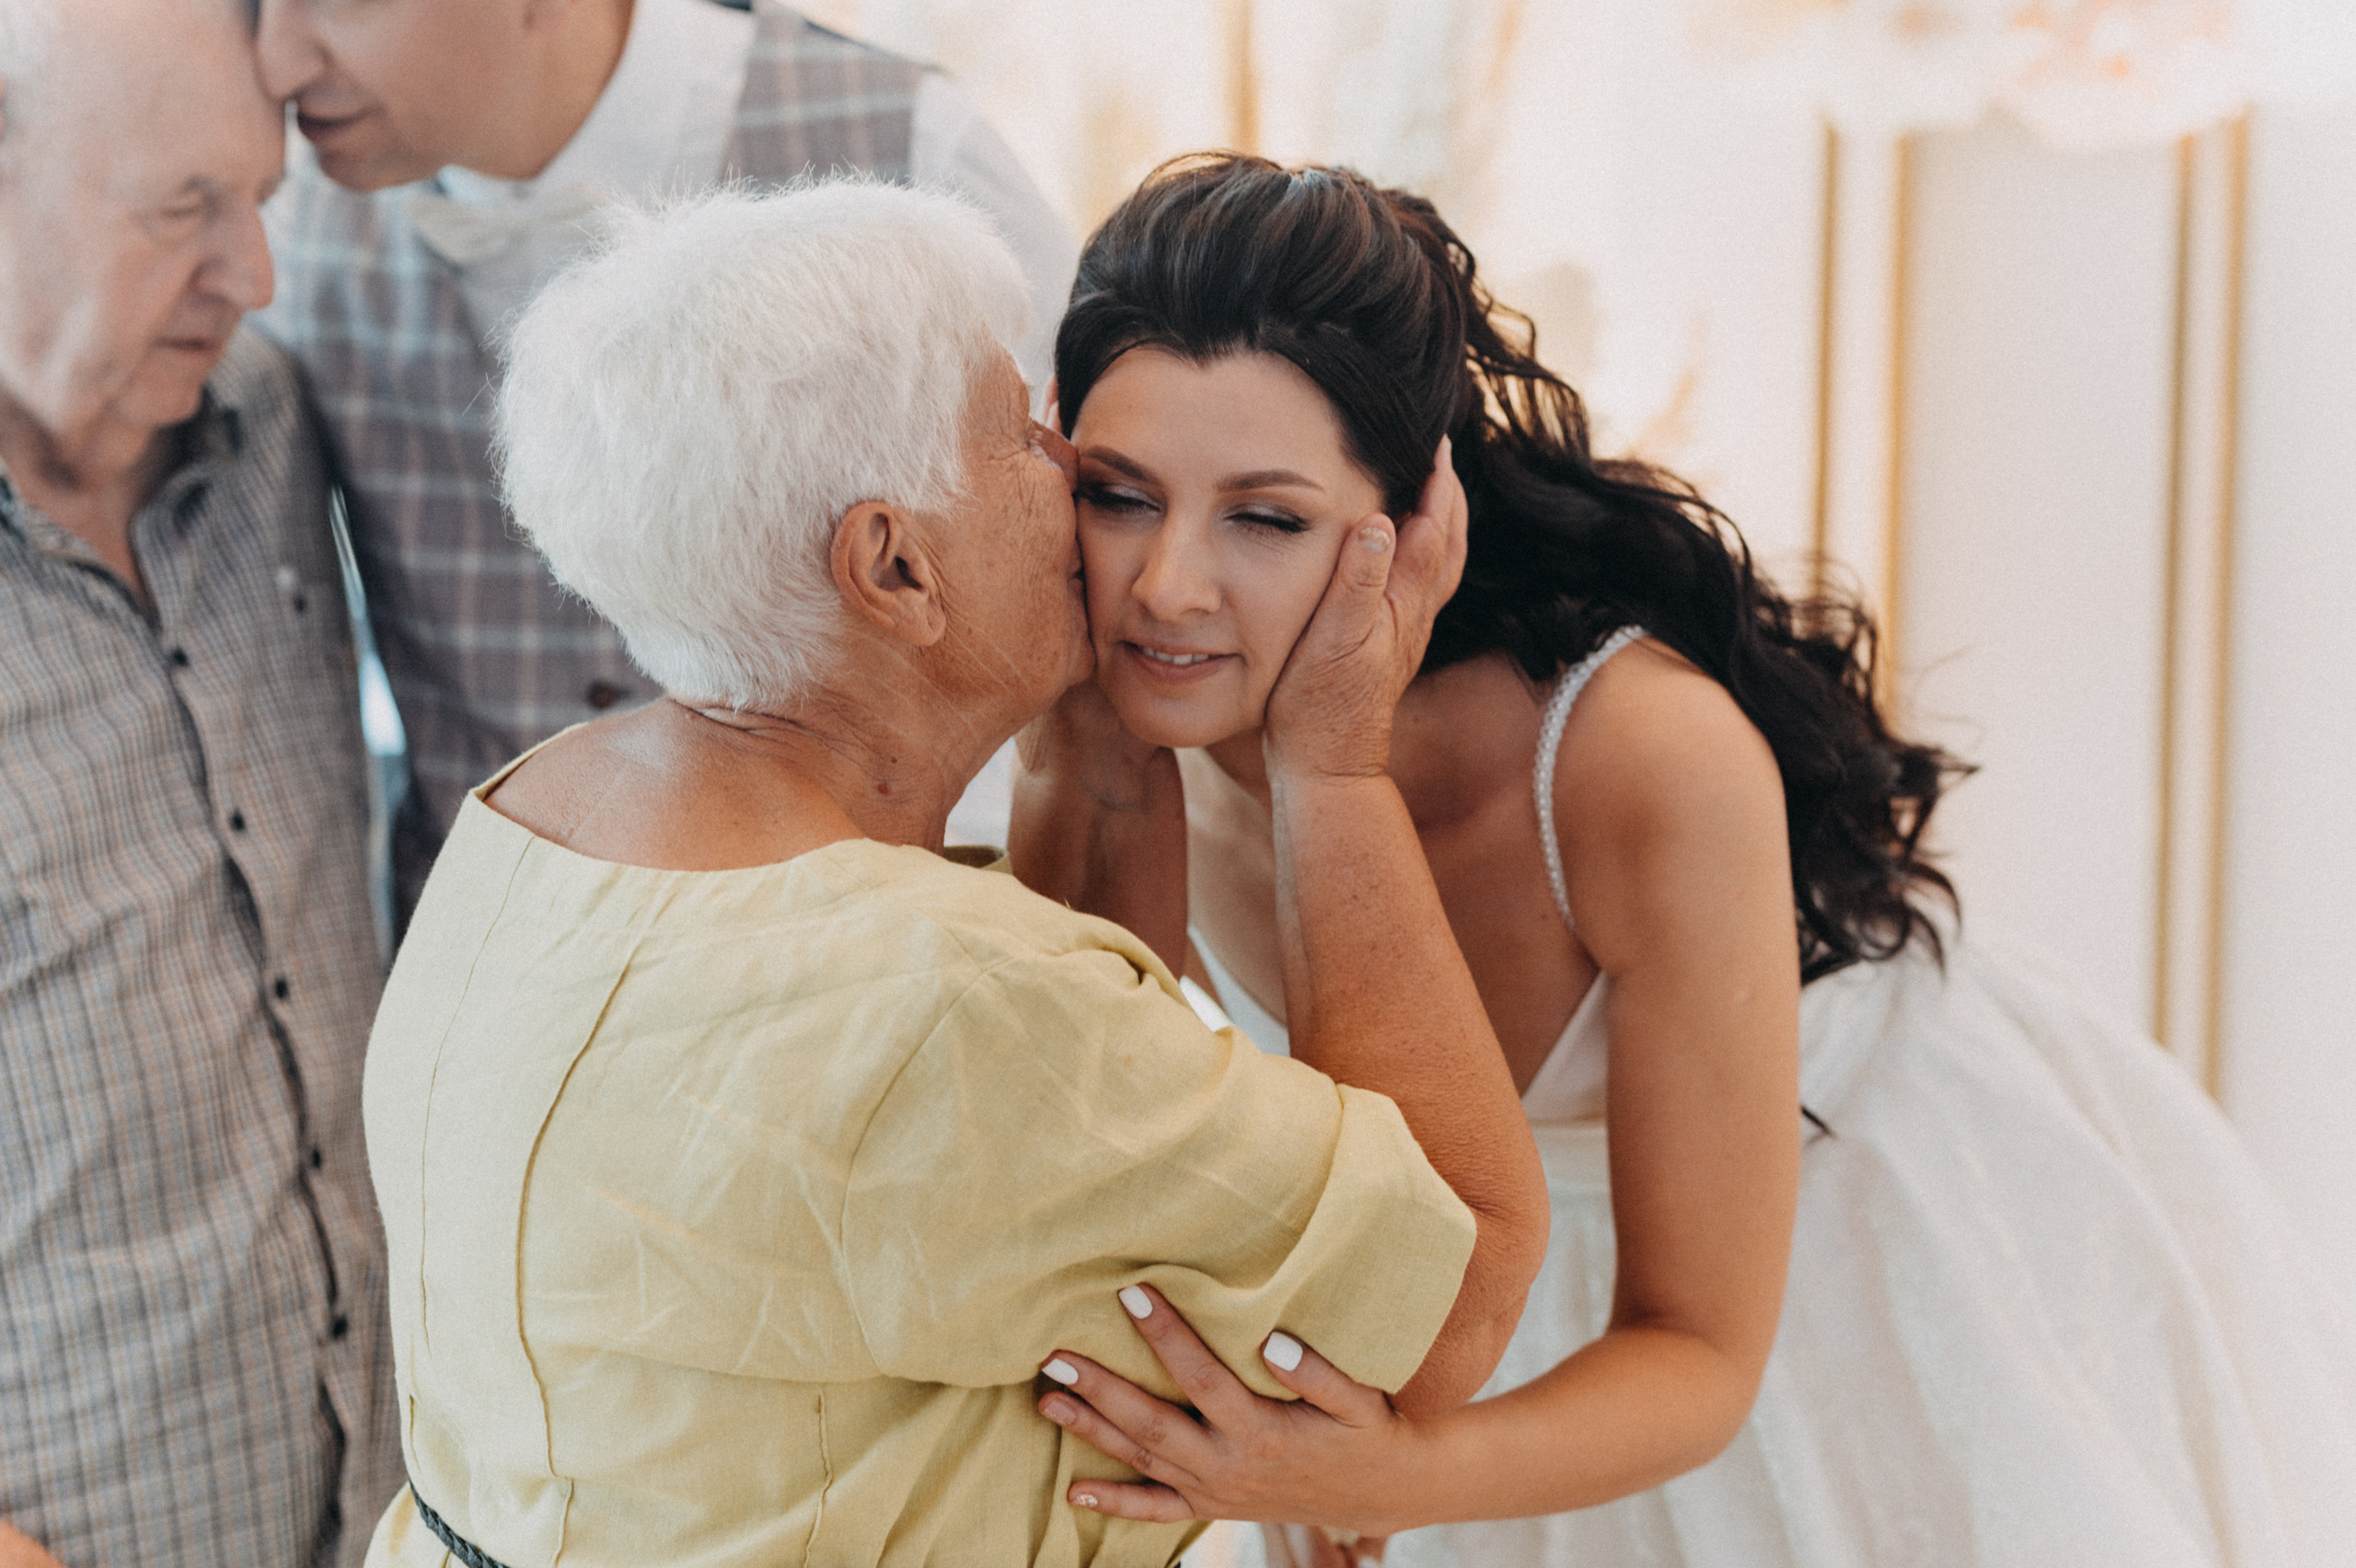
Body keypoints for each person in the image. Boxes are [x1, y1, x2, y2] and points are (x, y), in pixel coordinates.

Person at [1012, 156, 2356, 1567]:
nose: (1168, 585)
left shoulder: (1642, 760)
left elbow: (1702, 1350)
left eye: (1265, 517)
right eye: (1119, 494)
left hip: (1838, 1258)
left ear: (1413, 526)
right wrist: (1077, 744)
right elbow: (1077, 1142)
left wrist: (1388, 1475)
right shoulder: (1127, 703)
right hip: (1470, 1314)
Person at [356, 179, 1547, 1568]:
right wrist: (1336, 770)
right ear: (896, 568)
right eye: (1018, 436)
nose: (1064, 458)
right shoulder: (946, 1000)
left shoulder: (535, 813)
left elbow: (1035, 1189)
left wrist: (1090, 727)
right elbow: (1452, 1288)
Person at [253, 0, 1077, 917]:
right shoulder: (272, 236)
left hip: (914, 932)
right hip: (495, 961)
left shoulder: (917, 147)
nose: (276, 62)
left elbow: (1078, 559)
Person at [0, 1, 403, 1564]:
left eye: (260, 198)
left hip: (394, 1511)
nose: (255, 274)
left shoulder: (278, 424)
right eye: (185, 209)